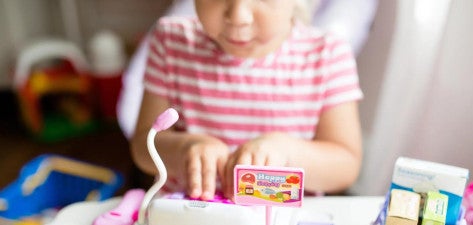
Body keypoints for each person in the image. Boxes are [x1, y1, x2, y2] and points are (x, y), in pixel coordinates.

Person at [130, 0, 363, 201]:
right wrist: (183, 149)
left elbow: (346, 164)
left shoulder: (328, 54)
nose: (238, 17)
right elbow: (143, 146)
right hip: (190, 221)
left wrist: (286, 153)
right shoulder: (171, 42)